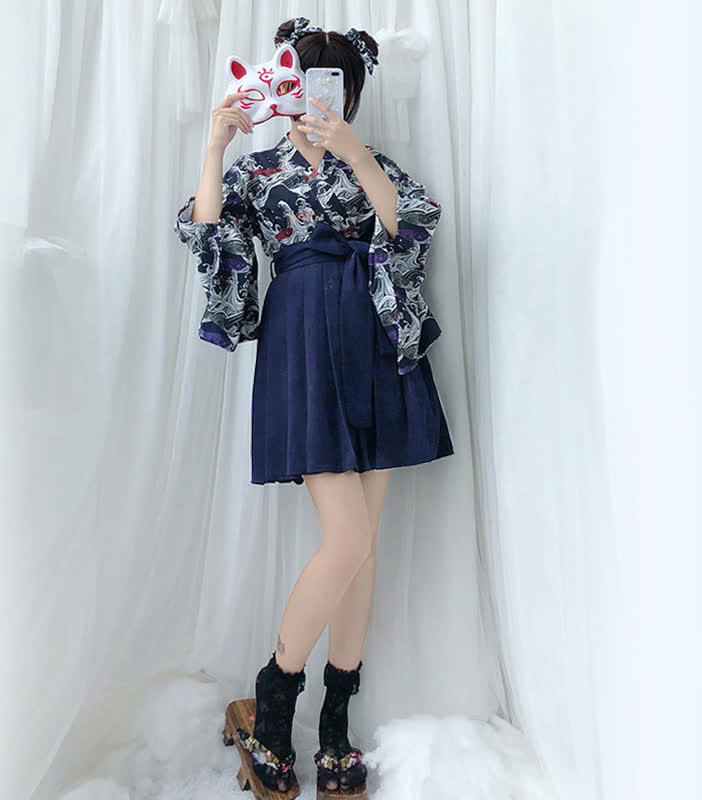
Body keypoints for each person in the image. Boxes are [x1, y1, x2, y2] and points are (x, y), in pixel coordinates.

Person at [174, 17, 455, 797]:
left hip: (378, 344)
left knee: (363, 546)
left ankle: (334, 725)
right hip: (303, 344)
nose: (320, 98)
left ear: (350, 95)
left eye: (336, 85)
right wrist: (214, 147)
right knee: (348, 538)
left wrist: (357, 156)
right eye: (306, 81)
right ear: (283, 86)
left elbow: (409, 228)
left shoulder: (371, 160)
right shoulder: (260, 171)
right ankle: (270, 706)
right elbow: (207, 235)